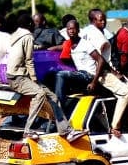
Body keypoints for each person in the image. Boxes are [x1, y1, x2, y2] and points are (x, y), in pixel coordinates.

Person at [6, 13, 87, 142]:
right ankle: (28, 130)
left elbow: (29, 50)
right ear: (29, 25)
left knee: (53, 97)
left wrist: (40, 47)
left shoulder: (15, 36)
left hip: (18, 75)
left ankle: (65, 131)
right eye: (33, 24)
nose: (35, 26)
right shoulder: (27, 36)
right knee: (40, 94)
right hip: (18, 77)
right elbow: (29, 61)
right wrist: (35, 80)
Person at [79, 9, 128, 137]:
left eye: (104, 19)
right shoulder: (95, 35)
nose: (104, 22)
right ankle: (115, 126)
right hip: (100, 73)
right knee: (126, 93)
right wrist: (112, 72)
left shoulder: (90, 31)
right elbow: (101, 60)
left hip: (106, 70)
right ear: (93, 20)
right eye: (100, 20)